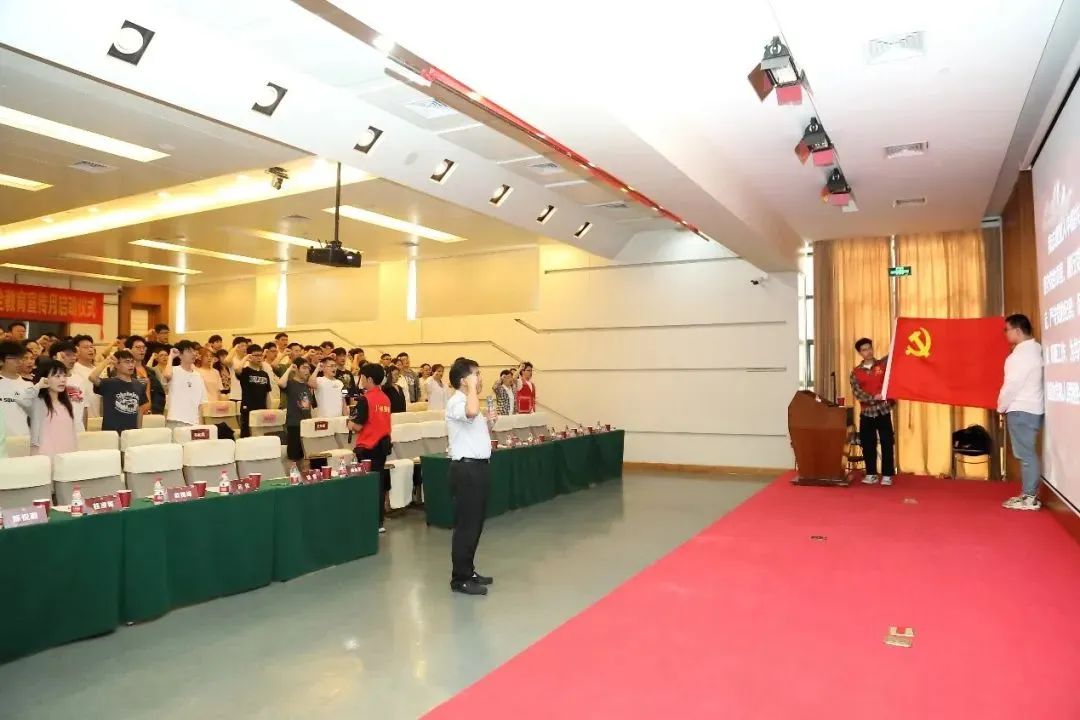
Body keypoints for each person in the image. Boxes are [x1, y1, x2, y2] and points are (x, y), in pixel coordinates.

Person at [445, 357, 498, 595]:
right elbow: (472, 411)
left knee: (475, 524)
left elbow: (475, 425)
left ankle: (469, 570)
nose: (480, 378)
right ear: (463, 380)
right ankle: (460, 579)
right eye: (476, 374)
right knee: (466, 526)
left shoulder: (468, 400)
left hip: (478, 468)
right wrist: (472, 388)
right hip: (466, 470)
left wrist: (489, 423)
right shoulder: (457, 401)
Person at [998, 314, 1045, 511]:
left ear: (1018, 331)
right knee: (1027, 454)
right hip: (1032, 409)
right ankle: (1028, 494)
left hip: (1021, 409)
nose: (1005, 334)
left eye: (1007, 330)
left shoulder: (1018, 357)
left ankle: (1029, 497)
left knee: (1026, 455)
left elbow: (1011, 386)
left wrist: (1001, 407)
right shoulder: (1036, 349)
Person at [349, 363, 393, 533]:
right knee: (378, 484)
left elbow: (358, 426)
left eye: (362, 377)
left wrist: (349, 424)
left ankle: (368, 521)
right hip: (382, 446)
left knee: (367, 485)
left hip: (368, 447)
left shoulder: (365, 399)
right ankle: (379, 522)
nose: (360, 380)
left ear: (368, 379)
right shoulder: (385, 398)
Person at [850, 338, 895, 486]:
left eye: (869, 348)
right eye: (864, 350)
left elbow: (894, 355)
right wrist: (872, 398)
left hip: (883, 411)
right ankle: (871, 474)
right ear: (860, 353)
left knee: (887, 442)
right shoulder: (855, 372)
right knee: (868, 444)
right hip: (867, 413)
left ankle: (887, 475)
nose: (868, 352)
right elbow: (857, 393)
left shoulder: (882, 364)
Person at [26, 360, 77, 458]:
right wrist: (38, 386)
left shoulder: (66, 404)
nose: (63, 380)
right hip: (44, 458)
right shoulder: (38, 403)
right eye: (57, 376)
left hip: (67, 457)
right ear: (44, 378)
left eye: (64, 376)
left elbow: (72, 434)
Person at [89, 349, 145, 433]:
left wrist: (139, 430)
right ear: (117, 365)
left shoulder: (138, 385)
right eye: (127, 362)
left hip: (131, 433)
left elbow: (140, 410)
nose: (131, 365)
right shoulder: (109, 383)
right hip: (111, 433)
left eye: (132, 362)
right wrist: (107, 360)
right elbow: (92, 377)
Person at [278, 358, 314, 467]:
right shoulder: (291, 383)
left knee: (306, 457)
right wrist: (290, 368)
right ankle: (293, 475)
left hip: (306, 424)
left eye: (308, 368)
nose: (307, 371)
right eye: (304, 368)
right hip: (294, 424)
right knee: (293, 458)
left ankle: (304, 476)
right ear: (296, 369)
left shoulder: (307, 385)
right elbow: (281, 383)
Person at [163, 340, 208, 428]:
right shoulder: (174, 370)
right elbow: (167, 375)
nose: (193, 354)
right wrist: (171, 356)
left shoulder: (198, 376)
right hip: (176, 420)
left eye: (194, 351)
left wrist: (200, 426)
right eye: (189, 351)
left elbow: (200, 404)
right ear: (180, 355)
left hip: (194, 423)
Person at [48, 340, 88, 432]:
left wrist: (84, 431)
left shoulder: (80, 379)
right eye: (68, 355)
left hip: (78, 430)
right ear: (55, 357)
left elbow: (84, 408)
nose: (73, 358)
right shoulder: (48, 379)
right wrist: (57, 364)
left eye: (74, 355)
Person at [235, 345, 272, 437]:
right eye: (256, 355)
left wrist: (269, 411)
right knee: (247, 436)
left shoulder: (264, 374)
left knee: (261, 436)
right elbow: (237, 369)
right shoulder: (245, 371)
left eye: (261, 355)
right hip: (248, 410)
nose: (259, 358)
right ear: (250, 356)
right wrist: (246, 358)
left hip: (262, 410)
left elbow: (267, 394)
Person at [0, 340, 32, 437]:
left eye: (20, 358)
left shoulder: (29, 385)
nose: (19, 361)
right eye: (13, 358)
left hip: (23, 439)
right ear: (1, 361)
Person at [71, 334, 100, 420]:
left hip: (96, 417)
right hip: (80, 418)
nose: (90, 349)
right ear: (77, 350)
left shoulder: (98, 370)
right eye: (86, 347)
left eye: (91, 347)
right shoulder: (73, 369)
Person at [125, 335, 154, 415]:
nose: (142, 350)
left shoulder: (150, 371)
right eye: (138, 347)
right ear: (129, 350)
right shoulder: (124, 371)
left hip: (150, 413)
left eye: (144, 347)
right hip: (131, 412)